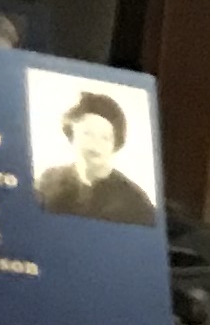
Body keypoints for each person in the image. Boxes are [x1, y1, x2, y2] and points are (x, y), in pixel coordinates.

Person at [33, 88, 154, 224]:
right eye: (87, 133)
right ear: (72, 135)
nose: (95, 145)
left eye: (105, 137)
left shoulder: (136, 202)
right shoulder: (47, 181)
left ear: (115, 143)